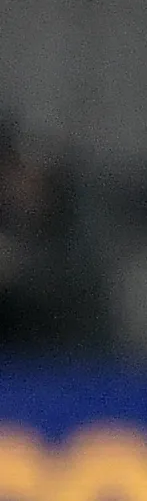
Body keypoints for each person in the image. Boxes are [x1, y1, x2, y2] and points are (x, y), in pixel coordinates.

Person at [0, 122, 112, 358]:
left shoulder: (76, 232)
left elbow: (79, 289)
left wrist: (19, 272)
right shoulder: (10, 223)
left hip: (64, 362)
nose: (19, 186)